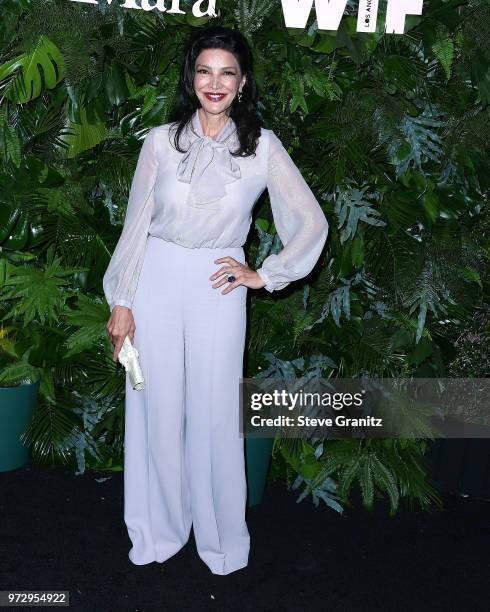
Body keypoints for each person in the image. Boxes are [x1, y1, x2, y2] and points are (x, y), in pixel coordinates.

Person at [103, 25, 329, 576]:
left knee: (214, 414)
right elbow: (136, 226)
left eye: (227, 72)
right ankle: (159, 530)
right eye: (205, 70)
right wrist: (121, 300)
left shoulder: (263, 147)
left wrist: (266, 274)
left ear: (243, 81)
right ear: (191, 77)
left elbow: (310, 221)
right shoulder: (159, 140)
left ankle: (220, 538)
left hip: (218, 283)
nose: (215, 82)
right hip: (155, 278)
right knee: (155, 407)